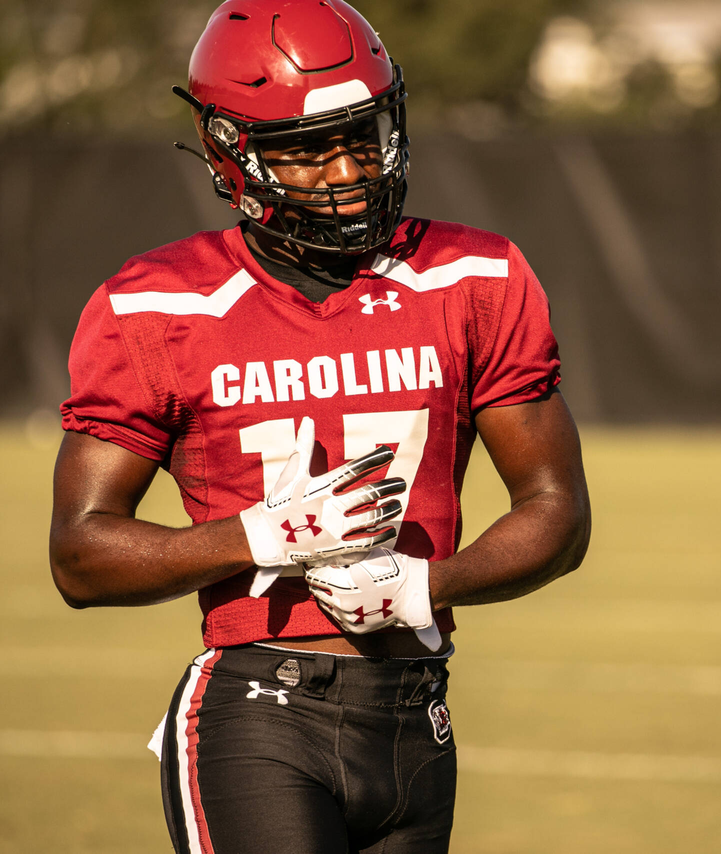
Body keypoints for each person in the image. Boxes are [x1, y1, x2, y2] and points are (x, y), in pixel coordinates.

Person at [48, 1, 590, 851]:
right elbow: (80, 557)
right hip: (257, 715)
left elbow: (558, 511)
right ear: (232, 154)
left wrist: (432, 585)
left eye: (362, 137)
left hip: (416, 718)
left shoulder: (474, 277)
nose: (346, 171)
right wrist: (265, 534)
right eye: (306, 150)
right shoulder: (161, 304)